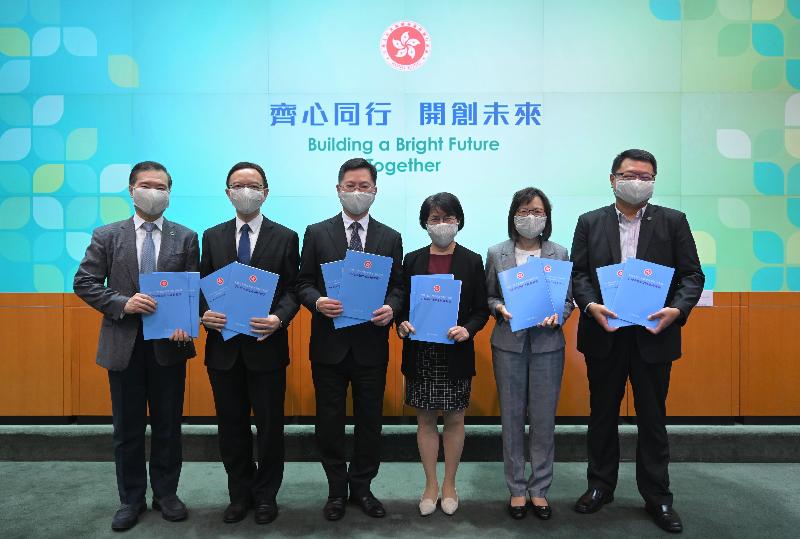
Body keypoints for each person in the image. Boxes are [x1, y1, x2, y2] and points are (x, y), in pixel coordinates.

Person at [570, 149, 704, 533]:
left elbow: (692, 276)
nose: (638, 181)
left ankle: (658, 498)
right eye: (631, 175)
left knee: (653, 419)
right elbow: (579, 274)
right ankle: (600, 486)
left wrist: (676, 311)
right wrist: (591, 304)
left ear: (654, 181)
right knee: (602, 415)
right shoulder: (589, 222)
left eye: (646, 176)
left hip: (653, 335)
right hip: (605, 333)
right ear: (613, 179)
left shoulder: (673, 222)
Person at [73, 161, 198, 531]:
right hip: (124, 345)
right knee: (127, 430)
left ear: (170, 193)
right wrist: (122, 303)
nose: (154, 192)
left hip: (169, 347)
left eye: (162, 187)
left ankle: (166, 494)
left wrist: (186, 325)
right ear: (131, 190)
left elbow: (193, 289)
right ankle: (130, 499)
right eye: (147, 185)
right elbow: (85, 283)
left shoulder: (186, 237)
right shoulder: (107, 235)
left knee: (168, 426)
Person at [296, 157, 403, 521]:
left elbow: (398, 287)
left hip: (371, 344)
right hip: (329, 344)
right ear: (338, 189)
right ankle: (336, 490)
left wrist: (391, 307)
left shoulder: (390, 237)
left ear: (375, 191)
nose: (357, 192)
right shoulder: (316, 232)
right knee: (329, 420)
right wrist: (317, 301)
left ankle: (363, 487)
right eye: (350, 186)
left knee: (370, 421)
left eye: (365, 186)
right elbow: (302, 282)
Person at [199, 162, 300, 525]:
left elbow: (292, 289)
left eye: (253, 185)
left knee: (271, 427)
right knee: (232, 427)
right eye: (238, 185)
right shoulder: (211, 236)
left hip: (266, 347)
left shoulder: (286, 236)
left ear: (265, 192)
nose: (245, 191)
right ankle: (238, 494)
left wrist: (279, 318)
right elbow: (201, 287)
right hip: (223, 350)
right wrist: (203, 314)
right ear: (227, 192)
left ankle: (265, 496)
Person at [396, 193, 489, 516]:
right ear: (424, 223)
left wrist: (469, 328)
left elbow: (480, 309)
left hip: (456, 350)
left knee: (454, 417)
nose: (442, 225)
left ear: (459, 221)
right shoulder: (412, 259)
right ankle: (430, 485)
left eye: (448, 218)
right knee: (424, 418)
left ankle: (449, 484)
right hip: (421, 352)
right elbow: (401, 304)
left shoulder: (472, 260)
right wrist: (401, 324)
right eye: (435, 219)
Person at [485, 187, 574, 520]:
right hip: (508, 343)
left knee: (542, 420)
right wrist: (500, 308)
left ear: (547, 217)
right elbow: (489, 296)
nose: (531, 218)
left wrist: (559, 315)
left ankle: (539, 489)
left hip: (548, 344)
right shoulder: (497, 252)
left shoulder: (559, 252)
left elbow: (568, 300)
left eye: (537, 212)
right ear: (513, 215)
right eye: (524, 212)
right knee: (510, 419)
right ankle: (517, 490)